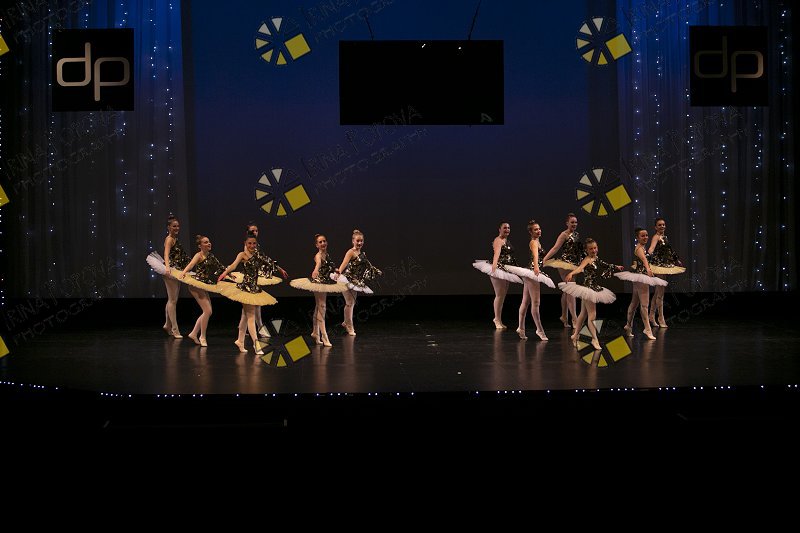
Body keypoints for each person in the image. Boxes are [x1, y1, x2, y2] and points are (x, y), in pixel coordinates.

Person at [217, 234, 278, 355]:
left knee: (245, 316)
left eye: (254, 243)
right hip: (246, 288)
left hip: (254, 288)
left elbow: (269, 262)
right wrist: (224, 273)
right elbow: (233, 265)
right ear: (245, 243)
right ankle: (256, 345)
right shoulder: (242, 255)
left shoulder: (257, 255)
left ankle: (240, 341)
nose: (252, 245)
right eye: (249, 243)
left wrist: (280, 270)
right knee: (251, 317)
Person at [559, 238, 624, 351]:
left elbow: (604, 264)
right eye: (591, 249)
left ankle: (575, 335)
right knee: (592, 315)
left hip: (593, 287)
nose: (594, 250)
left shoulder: (595, 258)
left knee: (583, 314)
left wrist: (616, 267)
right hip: (588, 289)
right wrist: (571, 273)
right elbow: (580, 268)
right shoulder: (587, 259)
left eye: (595, 248)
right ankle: (594, 339)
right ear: (587, 250)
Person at [290, 234, 348, 347]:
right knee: (322, 306)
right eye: (320, 242)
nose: (323, 243)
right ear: (316, 245)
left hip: (325, 282)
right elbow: (318, 264)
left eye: (324, 241)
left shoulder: (327, 255)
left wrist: (336, 270)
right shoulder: (318, 255)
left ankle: (315, 332)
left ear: (327, 242)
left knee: (318, 307)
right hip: (318, 283)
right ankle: (324, 336)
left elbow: (330, 266)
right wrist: (316, 270)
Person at [504, 220, 555, 341]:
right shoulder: (533, 242)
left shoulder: (537, 241)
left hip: (530, 273)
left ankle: (521, 328)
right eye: (535, 229)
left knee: (525, 302)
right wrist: (536, 267)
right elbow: (535, 256)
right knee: (535, 303)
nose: (538, 231)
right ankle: (539, 330)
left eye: (539, 229)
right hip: (532, 273)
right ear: (531, 232)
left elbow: (540, 256)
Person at [174, 234, 229, 347]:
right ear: (200, 246)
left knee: (208, 312)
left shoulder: (211, 256)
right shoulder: (198, 255)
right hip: (196, 284)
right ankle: (202, 336)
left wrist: (229, 274)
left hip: (204, 284)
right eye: (205, 242)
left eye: (209, 241)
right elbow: (191, 265)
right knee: (207, 311)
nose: (209, 243)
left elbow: (220, 266)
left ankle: (194, 333)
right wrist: (183, 272)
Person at [614, 228, 668, 340]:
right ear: (637, 237)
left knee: (634, 303)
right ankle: (647, 329)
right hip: (641, 277)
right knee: (644, 305)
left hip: (639, 277)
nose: (645, 237)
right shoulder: (639, 248)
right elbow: (644, 260)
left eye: (646, 235)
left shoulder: (642, 247)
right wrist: (648, 269)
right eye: (642, 236)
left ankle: (628, 325)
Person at [472, 222, 523, 329]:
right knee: (499, 295)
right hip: (499, 269)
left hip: (506, 269)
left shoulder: (507, 241)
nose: (507, 229)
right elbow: (497, 254)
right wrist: (494, 269)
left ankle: (498, 319)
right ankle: (496, 319)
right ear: (499, 229)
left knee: (502, 296)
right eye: (504, 228)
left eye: (508, 228)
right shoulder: (498, 240)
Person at [145, 214, 189, 338]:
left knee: (172, 299)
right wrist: (168, 268)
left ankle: (167, 324)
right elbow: (166, 253)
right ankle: (175, 329)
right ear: (169, 227)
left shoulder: (175, 239)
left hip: (177, 270)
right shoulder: (169, 239)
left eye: (178, 226)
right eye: (174, 226)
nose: (177, 228)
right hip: (171, 271)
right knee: (173, 300)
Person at [333, 229, 382, 336]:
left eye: (361, 241)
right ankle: (349, 326)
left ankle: (346, 322)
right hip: (347, 279)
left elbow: (368, 265)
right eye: (357, 241)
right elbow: (344, 263)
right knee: (349, 303)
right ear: (353, 241)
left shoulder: (362, 253)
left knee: (352, 303)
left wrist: (374, 270)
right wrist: (338, 272)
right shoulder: (350, 252)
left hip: (355, 281)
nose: (359, 243)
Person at [542, 213, 585, 329]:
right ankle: (575, 319)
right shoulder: (563, 234)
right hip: (564, 265)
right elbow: (555, 248)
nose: (574, 224)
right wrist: (545, 258)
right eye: (572, 222)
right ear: (567, 223)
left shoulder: (576, 234)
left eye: (576, 222)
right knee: (571, 290)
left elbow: (580, 250)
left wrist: (585, 261)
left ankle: (564, 316)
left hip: (574, 264)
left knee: (567, 291)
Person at [648, 218, 685, 328]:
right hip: (658, 266)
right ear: (655, 227)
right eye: (659, 225)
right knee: (660, 293)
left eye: (663, 224)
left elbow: (670, 250)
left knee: (658, 292)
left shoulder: (665, 237)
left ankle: (651, 316)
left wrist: (676, 259)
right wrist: (647, 255)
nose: (662, 226)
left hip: (664, 265)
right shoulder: (656, 237)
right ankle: (661, 318)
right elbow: (651, 248)